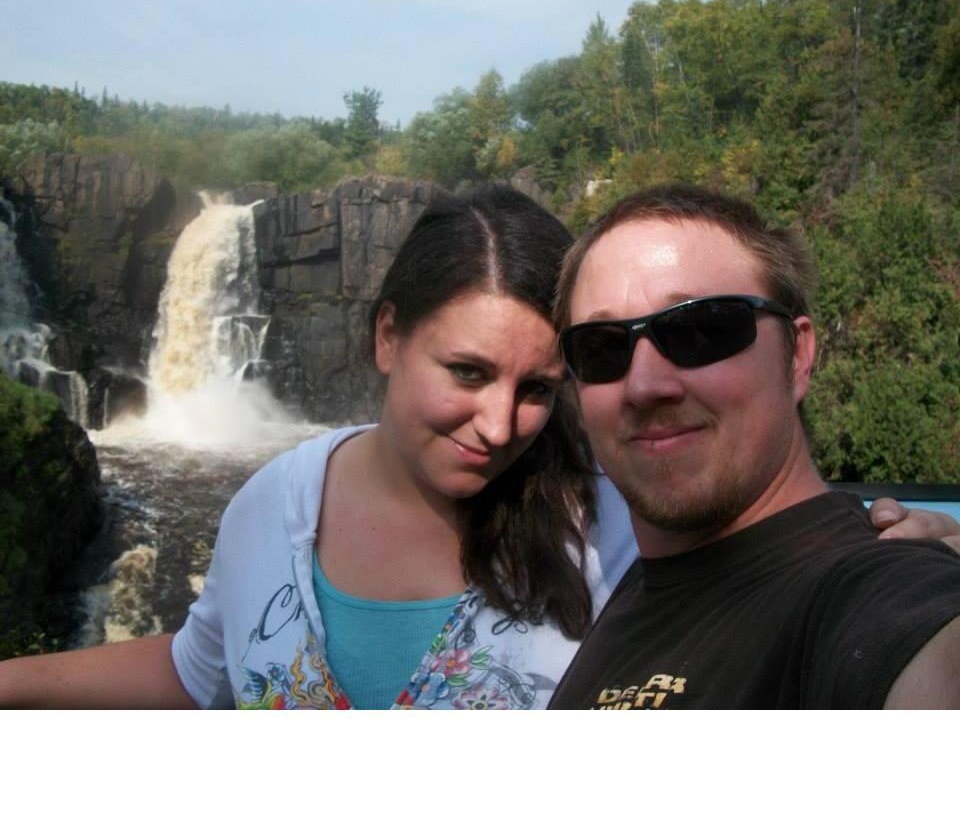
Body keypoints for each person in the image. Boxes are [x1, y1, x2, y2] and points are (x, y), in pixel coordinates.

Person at [0, 188, 956, 709]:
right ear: (385, 337)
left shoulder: (627, 514)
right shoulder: (272, 502)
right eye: (464, 371)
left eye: (540, 387)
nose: (500, 425)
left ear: (797, 352)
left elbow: (832, 603)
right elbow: (196, 670)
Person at [547, 183, 960, 709]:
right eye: (601, 347)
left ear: (797, 355)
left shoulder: (873, 585)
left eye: (699, 329)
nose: (645, 385)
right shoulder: (638, 591)